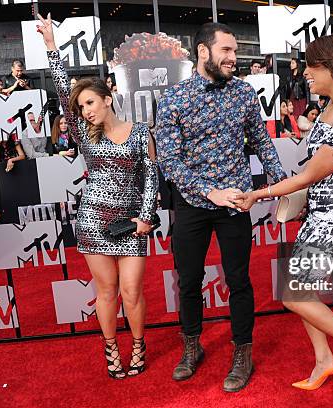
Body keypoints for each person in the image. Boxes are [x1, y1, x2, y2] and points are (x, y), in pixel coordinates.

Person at [236, 33, 333, 391]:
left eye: (312, 65)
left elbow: (308, 174)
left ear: (332, 67)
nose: (306, 73)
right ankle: (325, 360)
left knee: (294, 295)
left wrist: (255, 195)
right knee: (302, 292)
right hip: (320, 212)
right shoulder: (332, 105)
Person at [155, 22, 286, 392]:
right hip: (193, 204)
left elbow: (262, 143)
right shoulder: (173, 100)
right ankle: (192, 346)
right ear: (203, 52)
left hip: (236, 204)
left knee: (239, 280)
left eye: (234, 51)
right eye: (226, 50)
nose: (234, 57)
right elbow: (170, 161)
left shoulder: (244, 93)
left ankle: (243, 351)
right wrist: (208, 191)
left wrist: (280, 187)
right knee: (190, 281)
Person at [37, 12, 158, 379]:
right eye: (80, 108)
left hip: (132, 223)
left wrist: (145, 217)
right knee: (106, 293)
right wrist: (51, 49)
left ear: (108, 98)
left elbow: (152, 179)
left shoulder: (140, 132)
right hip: (93, 221)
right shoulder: (86, 136)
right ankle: (111, 349)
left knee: (132, 291)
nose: (85, 111)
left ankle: (138, 344)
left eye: (90, 103)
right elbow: (62, 89)